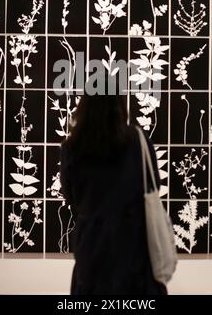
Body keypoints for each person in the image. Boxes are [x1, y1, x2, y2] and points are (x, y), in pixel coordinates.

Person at [60, 83, 167, 295]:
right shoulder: (139, 140)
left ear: (85, 105)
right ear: (119, 104)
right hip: (135, 251)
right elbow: (154, 184)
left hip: (91, 251)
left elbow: (71, 197)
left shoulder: (72, 147)